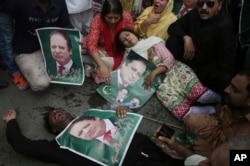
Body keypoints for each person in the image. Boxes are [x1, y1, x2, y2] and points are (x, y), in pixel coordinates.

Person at [3, 108, 183, 166]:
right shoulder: (60, 147)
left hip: (146, 147)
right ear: (54, 132)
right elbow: (23, 146)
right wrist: (11, 122)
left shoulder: (104, 116)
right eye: (53, 117)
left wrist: (122, 110)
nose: (57, 113)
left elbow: (125, 111)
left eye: (59, 110)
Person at [115, 28, 220, 120]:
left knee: (203, 96)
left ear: (133, 33)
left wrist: (154, 73)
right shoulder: (129, 58)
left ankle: (224, 99)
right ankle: (213, 110)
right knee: (183, 114)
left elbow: (169, 59)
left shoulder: (152, 41)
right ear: (123, 45)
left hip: (176, 72)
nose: (127, 39)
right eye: (124, 40)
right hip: (161, 86)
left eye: (127, 35)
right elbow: (128, 80)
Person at [152, 69, 250, 163]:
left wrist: (210, 154)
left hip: (224, 154)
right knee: (191, 120)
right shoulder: (236, 105)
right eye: (230, 85)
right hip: (221, 133)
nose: (226, 90)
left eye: (235, 90)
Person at [165, 0, 237, 95]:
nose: (204, 7)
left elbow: (226, 65)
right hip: (191, 58)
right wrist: (186, 38)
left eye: (210, 4)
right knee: (173, 41)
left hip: (207, 69)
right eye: (200, 3)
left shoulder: (224, 26)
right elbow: (173, 27)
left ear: (219, 6)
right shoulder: (195, 13)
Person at [5, 0, 73, 91]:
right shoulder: (20, 3)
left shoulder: (60, 2)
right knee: (41, 84)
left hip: (51, 46)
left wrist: (76, 39)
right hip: (27, 50)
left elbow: (66, 24)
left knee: (83, 48)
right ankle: (24, 66)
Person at [82, 0, 134, 84]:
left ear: (121, 15)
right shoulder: (97, 20)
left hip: (120, 49)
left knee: (125, 64)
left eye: (116, 18)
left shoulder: (127, 17)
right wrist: (102, 66)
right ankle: (98, 66)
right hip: (101, 48)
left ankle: (92, 67)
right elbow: (92, 45)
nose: (113, 21)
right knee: (83, 48)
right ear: (103, 15)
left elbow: (132, 38)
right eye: (109, 17)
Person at [0, 0, 28, 90]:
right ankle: (14, 71)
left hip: (20, 4)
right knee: (6, 38)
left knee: (22, 30)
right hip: (3, 7)